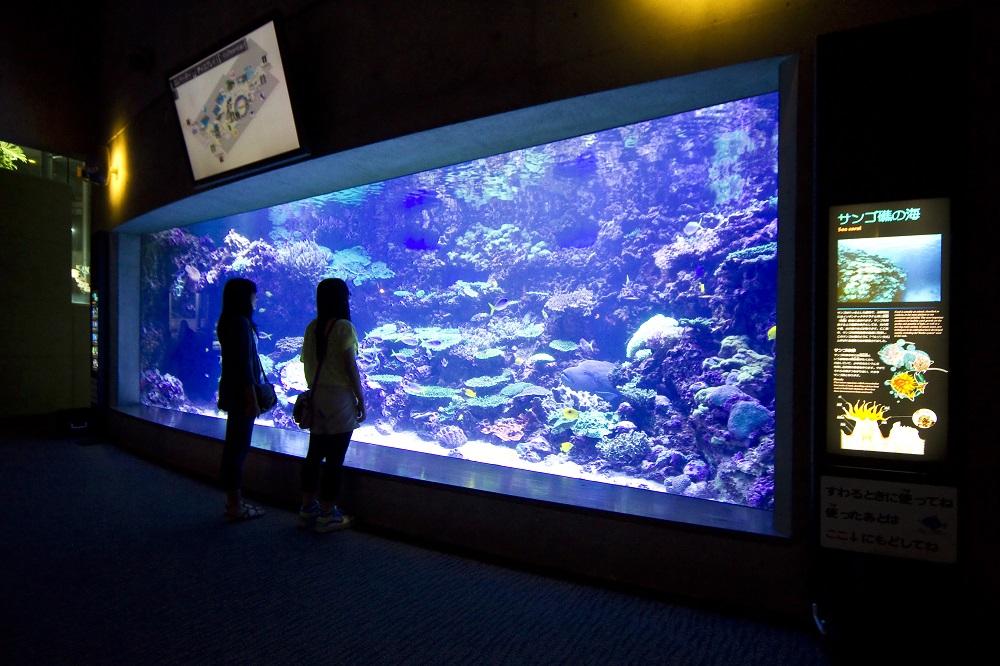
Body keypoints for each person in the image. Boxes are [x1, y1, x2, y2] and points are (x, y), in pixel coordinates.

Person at [298, 278, 366, 532]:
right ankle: (328, 515)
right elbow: (350, 367)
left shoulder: (312, 327)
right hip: (339, 399)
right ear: (342, 299)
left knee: (314, 454)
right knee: (335, 457)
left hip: (317, 396)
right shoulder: (344, 328)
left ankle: (307, 508)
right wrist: (360, 398)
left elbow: (307, 363)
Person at [216, 278, 265, 521]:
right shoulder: (240, 323)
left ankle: (233, 502)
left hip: (232, 390)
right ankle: (235, 506)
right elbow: (245, 365)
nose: (256, 300)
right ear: (244, 298)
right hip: (242, 394)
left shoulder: (227, 321)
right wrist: (252, 398)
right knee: (238, 448)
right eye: (253, 295)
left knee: (234, 445)